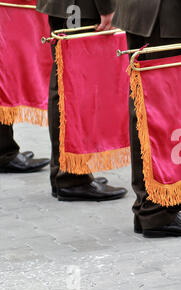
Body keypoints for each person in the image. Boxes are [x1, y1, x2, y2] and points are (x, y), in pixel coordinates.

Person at [112, 0, 181, 238]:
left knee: (147, 109)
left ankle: (149, 206)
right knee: (164, 112)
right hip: (165, 16)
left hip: (144, 14)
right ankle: (158, 212)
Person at [36, 0, 127, 201]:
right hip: (79, 5)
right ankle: (70, 177)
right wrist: (107, 6)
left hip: (70, 5)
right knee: (71, 85)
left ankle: (66, 171)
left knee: (65, 80)